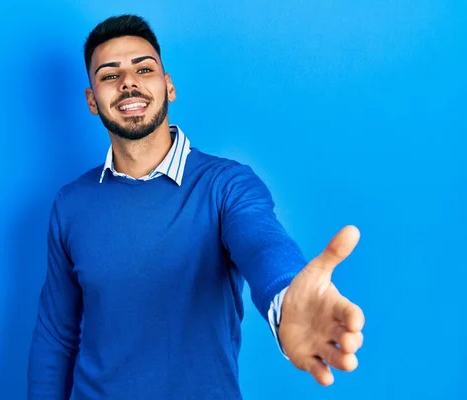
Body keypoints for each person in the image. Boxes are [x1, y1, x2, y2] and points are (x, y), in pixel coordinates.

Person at [27, 14, 365, 400]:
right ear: (92, 100)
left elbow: (261, 243)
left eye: (144, 68)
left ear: (168, 86)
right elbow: (56, 336)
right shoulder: (71, 204)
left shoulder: (225, 185)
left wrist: (286, 300)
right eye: (109, 75)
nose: (128, 82)